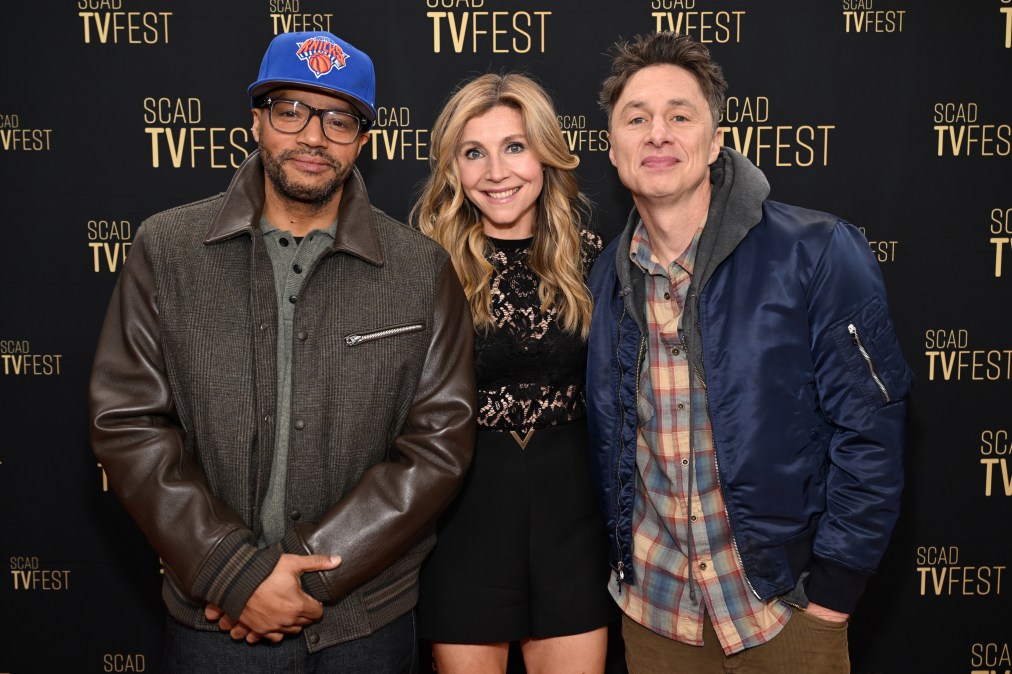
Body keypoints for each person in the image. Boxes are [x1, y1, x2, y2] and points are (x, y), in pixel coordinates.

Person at [89, 31, 476, 673]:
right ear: (256, 121)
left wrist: (313, 573)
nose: (313, 137)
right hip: (215, 621)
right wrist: (233, 572)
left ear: (364, 139)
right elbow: (127, 422)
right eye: (291, 111)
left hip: (365, 623)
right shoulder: (168, 250)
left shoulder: (420, 270)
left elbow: (439, 445)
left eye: (339, 120)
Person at [585, 31, 913, 673]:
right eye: (637, 118)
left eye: (680, 116)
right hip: (656, 618)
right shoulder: (603, 281)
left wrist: (833, 595)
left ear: (715, 142)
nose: (657, 134)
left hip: (782, 614)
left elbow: (872, 431)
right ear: (613, 147)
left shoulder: (815, 251)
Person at [411, 73, 616, 674]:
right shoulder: (423, 264)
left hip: (573, 521)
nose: (496, 172)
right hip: (463, 520)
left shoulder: (593, 257)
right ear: (454, 167)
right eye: (474, 152)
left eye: (515, 147)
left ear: (545, 154)